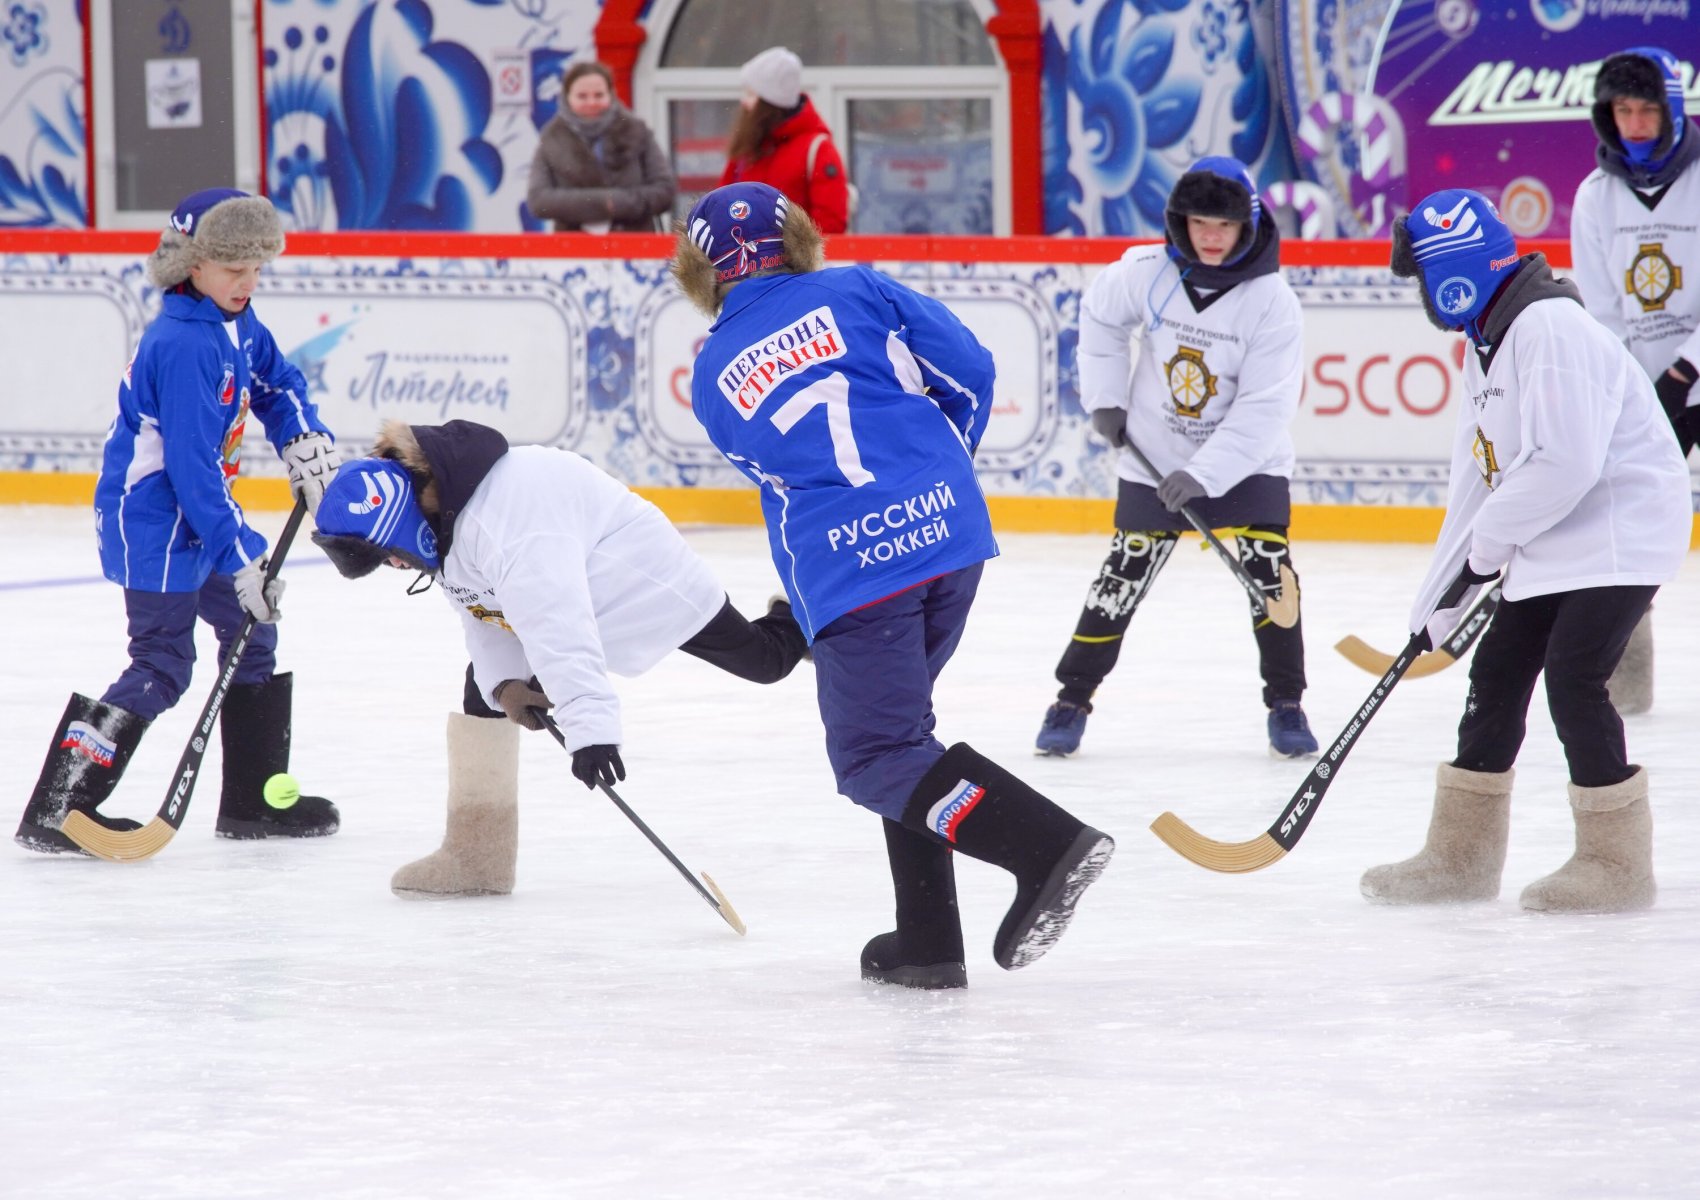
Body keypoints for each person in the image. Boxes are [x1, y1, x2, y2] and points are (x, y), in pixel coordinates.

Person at [672, 181, 1114, 988]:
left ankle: (1046, 846)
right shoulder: (859, 287)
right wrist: (940, 468)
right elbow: (972, 370)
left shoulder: (711, 375)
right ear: (798, 238)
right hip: (951, 536)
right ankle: (928, 941)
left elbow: (781, 476)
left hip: (854, 569)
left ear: (699, 272)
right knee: (907, 741)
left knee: (877, 754)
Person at [310, 419, 810, 898]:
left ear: (402, 523)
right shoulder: (440, 516)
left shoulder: (508, 523)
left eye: (390, 556)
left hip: (643, 584)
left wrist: (590, 731)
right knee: (479, 691)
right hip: (563, 596)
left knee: (765, 662)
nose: (396, 566)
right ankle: (476, 858)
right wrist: (505, 684)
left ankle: (800, 613)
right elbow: (480, 610)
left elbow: (558, 623)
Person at [1362, 189, 1690, 913]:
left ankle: (1616, 864)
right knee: (1499, 670)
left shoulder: (1547, 329)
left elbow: (1565, 464)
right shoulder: (1491, 343)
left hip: (1621, 531)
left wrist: (1487, 553)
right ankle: (1460, 858)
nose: (1419, 290)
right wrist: (1436, 609)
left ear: (1454, 271)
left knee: (1573, 677)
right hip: (1554, 531)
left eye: (1421, 272)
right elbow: (1478, 485)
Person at [15, 188, 343, 855]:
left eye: (256, 268)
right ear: (192, 264)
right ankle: (60, 804)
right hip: (155, 521)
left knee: (252, 635)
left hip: (202, 513)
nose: (248, 282)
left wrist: (304, 439)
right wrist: (240, 558)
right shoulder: (185, 344)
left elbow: (278, 387)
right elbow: (192, 473)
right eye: (232, 269)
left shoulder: (236, 321)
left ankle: (253, 800)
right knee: (163, 664)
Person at [1035, 156, 1316, 760]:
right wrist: (1106, 399)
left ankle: (1286, 704)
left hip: (1248, 463)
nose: (1211, 237)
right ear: (1179, 221)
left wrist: (1206, 473)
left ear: (1248, 224)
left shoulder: (1272, 301)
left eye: (1224, 224)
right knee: (1123, 573)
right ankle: (1072, 698)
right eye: (1198, 223)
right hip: (1155, 456)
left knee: (1270, 573)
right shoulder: (1147, 270)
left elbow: (1267, 405)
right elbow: (1102, 320)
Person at [1568, 45, 1699, 715]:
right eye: (1624, 109)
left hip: (1690, 379)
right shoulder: (1595, 197)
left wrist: (1685, 369)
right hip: (1645, 395)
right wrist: (1633, 386)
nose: (1637, 123)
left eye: (1649, 108)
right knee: (1629, 535)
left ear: (1671, 111)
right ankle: (1626, 682)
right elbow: (1603, 307)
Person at [527, 60, 675, 233]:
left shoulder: (637, 131)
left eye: (599, 95)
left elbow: (664, 192)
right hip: (573, 251)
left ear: (611, 94)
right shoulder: (552, 138)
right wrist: (603, 203)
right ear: (567, 98)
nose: (591, 102)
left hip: (636, 248)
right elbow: (539, 201)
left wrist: (616, 203)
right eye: (582, 96)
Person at [717, 46, 850, 234]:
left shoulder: (817, 150)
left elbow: (829, 227)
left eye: (751, 94)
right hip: (744, 260)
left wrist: (782, 253)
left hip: (796, 263)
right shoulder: (747, 148)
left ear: (769, 103)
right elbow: (720, 208)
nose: (744, 102)